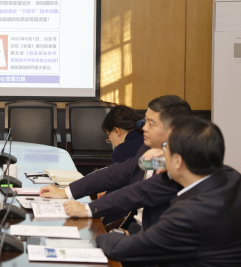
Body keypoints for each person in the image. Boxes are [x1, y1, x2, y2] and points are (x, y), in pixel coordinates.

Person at [97, 116, 241, 266]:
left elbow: (121, 249)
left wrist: (107, 235)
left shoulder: (189, 214)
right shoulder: (232, 176)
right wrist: (172, 165)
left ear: (179, 161)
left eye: (165, 148)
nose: (161, 154)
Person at [40, 95, 191, 231]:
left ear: (173, 130)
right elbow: (117, 173)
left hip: (154, 237)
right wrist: (66, 192)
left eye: (151, 124)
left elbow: (139, 192)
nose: (144, 128)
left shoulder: (181, 165)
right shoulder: (148, 147)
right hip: (135, 229)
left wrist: (88, 209)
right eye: (145, 121)